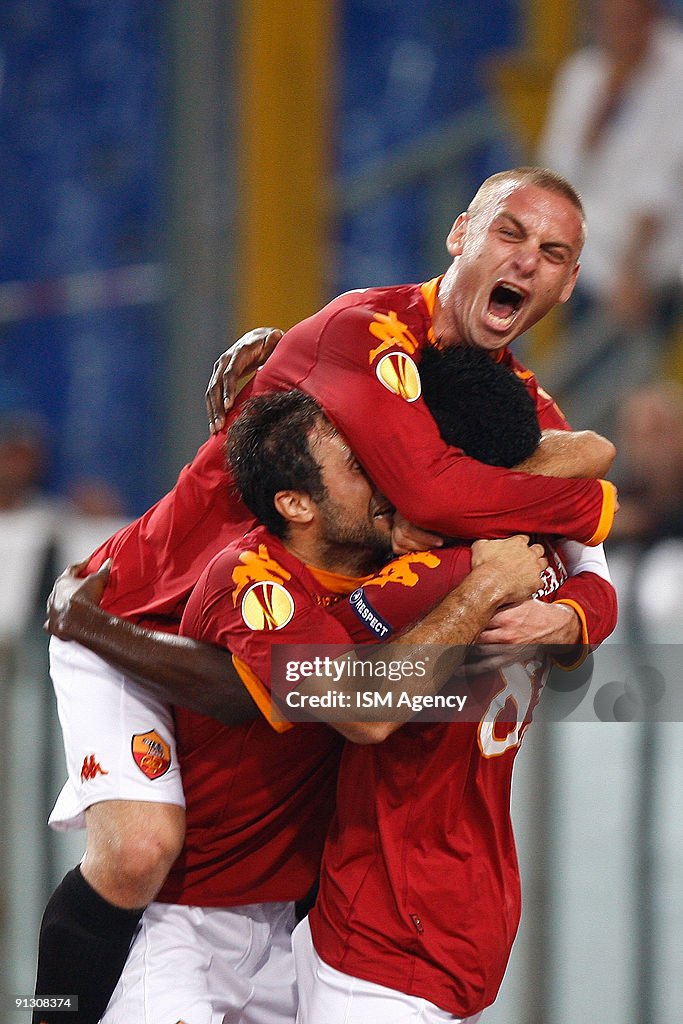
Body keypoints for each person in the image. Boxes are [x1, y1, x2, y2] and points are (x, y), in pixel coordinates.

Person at [34, 168, 617, 1021]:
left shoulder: (505, 402)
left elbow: (579, 540)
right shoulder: (364, 330)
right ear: (459, 234)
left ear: (568, 284)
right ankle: (48, 1011)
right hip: (135, 617)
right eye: (509, 234)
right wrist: (585, 497)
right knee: (139, 851)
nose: (526, 262)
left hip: (272, 663)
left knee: (303, 800)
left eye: (552, 253)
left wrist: (567, 608)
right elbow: (434, 496)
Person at [94, 377, 550, 1024]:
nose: (389, 474)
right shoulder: (251, 579)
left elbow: (560, 463)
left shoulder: (381, 557)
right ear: (297, 505)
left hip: (297, 924)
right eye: (359, 467)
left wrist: (573, 618)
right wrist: (479, 593)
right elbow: (365, 714)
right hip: (193, 921)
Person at [538, 0, 683, 350]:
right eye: (607, 22)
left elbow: (661, 182)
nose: (618, 33)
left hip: (655, 273)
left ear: (652, 16)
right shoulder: (582, 75)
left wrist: (631, 273)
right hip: (589, 268)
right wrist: (597, 120)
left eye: (628, 21)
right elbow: (555, 170)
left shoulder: (677, 71)